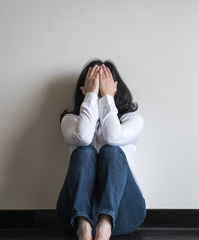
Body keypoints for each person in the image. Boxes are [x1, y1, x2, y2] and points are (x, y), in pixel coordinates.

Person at [56, 59, 147, 240]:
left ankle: (104, 227)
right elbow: (83, 138)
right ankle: (84, 227)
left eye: (103, 83)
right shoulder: (70, 120)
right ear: (84, 88)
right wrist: (91, 96)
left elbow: (113, 138)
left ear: (114, 86)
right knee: (84, 151)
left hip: (125, 213)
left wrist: (107, 98)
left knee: (110, 150)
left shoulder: (133, 120)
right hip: (74, 215)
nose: (98, 89)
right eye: (93, 84)